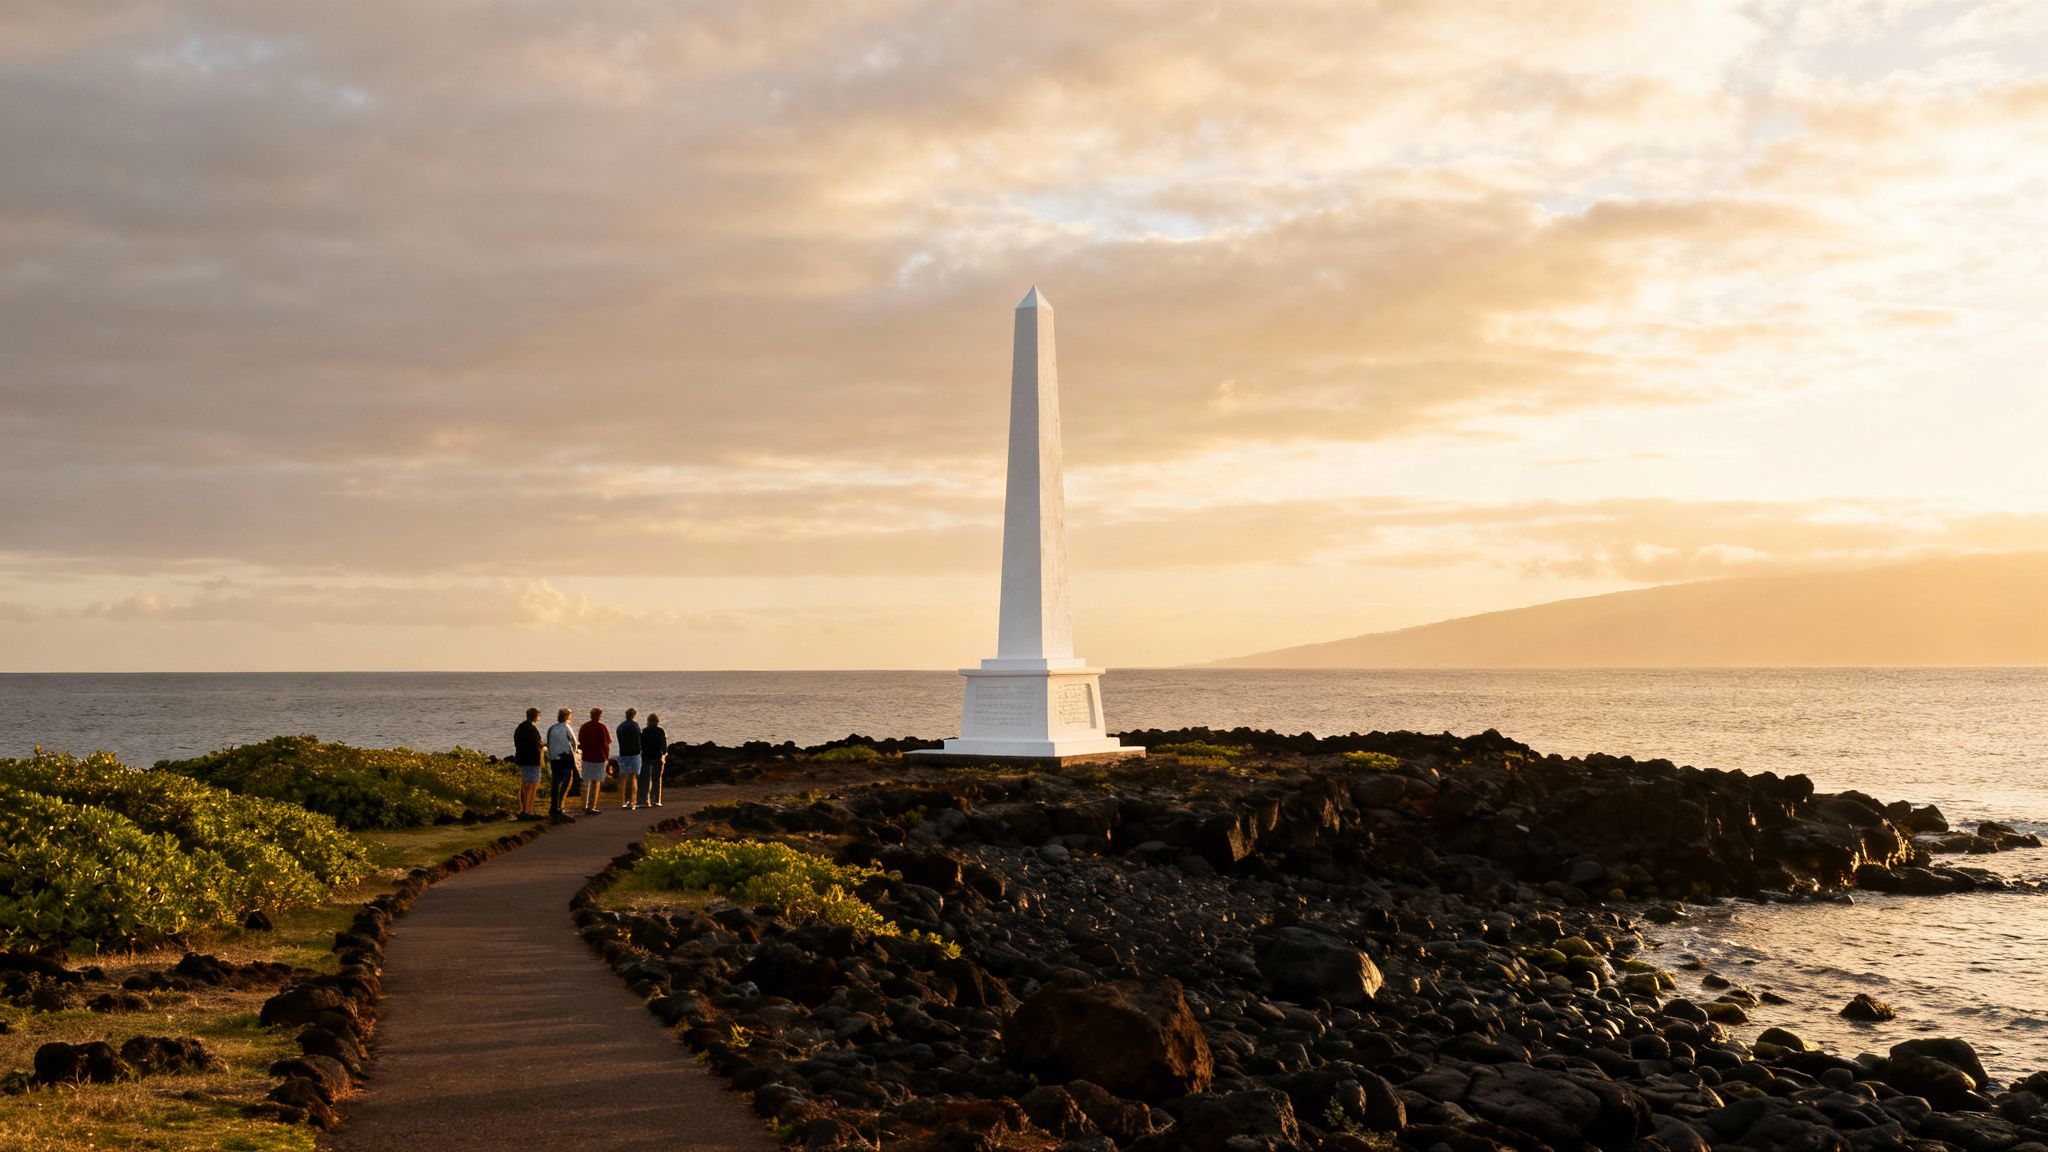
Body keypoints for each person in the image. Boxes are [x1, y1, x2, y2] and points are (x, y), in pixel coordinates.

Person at [577, 707, 612, 814]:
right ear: (599, 716)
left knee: (586, 781)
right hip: (599, 758)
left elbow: (580, 741)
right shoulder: (602, 727)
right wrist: (607, 758)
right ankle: (592, 806)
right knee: (595, 782)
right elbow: (606, 743)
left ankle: (584, 805)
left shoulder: (584, 727)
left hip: (587, 757)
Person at [545, 708, 578, 821]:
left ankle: (553, 807)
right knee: (566, 780)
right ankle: (559, 806)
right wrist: (574, 753)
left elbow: (548, 743)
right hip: (565, 757)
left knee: (555, 782)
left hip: (554, 758)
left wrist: (551, 754)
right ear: (567, 716)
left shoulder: (552, 728)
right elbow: (574, 743)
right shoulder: (566, 727)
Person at [513, 707, 544, 819]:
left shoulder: (520, 728)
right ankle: (528, 810)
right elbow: (537, 745)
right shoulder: (532, 729)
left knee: (525, 784)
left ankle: (523, 809)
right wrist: (542, 747)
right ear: (535, 716)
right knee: (532, 784)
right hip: (532, 761)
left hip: (522, 759)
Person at [615, 708, 643, 810]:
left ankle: (625, 801)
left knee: (624, 778)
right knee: (633, 778)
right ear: (634, 715)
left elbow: (619, 738)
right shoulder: (635, 726)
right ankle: (632, 801)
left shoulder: (620, 727)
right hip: (634, 754)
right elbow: (639, 740)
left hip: (623, 753)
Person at [641, 712, 667, 808]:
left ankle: (646, 800)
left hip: (646, 757)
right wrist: (664, 752)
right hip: (657, 757)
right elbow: (663, 744)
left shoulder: (644, 731)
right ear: (657, 721)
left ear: (648, 721)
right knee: (657, 779)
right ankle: (656, 800)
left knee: (646, 780)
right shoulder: (660, 731)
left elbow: (641, 745)